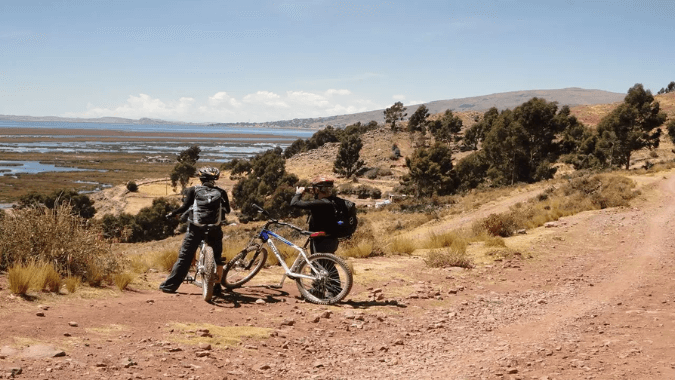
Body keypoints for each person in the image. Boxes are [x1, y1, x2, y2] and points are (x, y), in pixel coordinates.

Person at [159, 167, 230, 295]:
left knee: (184, 257)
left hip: (195, 228)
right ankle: (217, 287)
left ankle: (169, 286)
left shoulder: (194, 190)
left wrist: (172, 213)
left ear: (201, 178)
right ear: (215, 179)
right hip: (214, 228)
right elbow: (228, 210)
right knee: (217, 258)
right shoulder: (221, 192)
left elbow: (184, 207)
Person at [291, 175, 343, 296]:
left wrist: (298, 193)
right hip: (332, 237)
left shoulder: (320, 203)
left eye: (315, 188)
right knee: (326, 264)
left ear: (319, 190)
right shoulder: (333, 201)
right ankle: (325, 289)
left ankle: (330, 290)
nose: (313, 190)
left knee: (319, 263)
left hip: (320, 239)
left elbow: (294, 203)